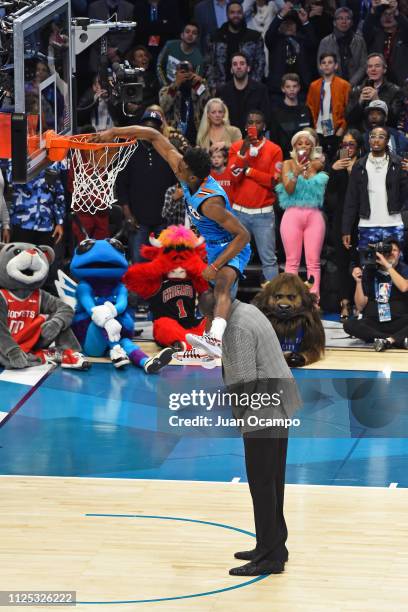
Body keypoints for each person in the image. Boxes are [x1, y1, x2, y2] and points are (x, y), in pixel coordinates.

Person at [93, 126, 251, 358]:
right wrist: (115, 131)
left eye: (183, 169)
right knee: (207, 301)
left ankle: (217, 340)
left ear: (194, 177)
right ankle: (211, 343)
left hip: (232, 245)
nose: (178, 168)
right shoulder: (186, 171)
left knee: (222, 286)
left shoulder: (211, 203)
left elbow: (243, 235)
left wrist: (216, 266)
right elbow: (154, 134)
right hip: (211, 245)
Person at [198, 289, 302, 576]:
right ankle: (273, 545)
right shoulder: (247, 308)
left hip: (264, 409)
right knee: (272, 480)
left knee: (261, 484)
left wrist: (239, 417)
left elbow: (244, 382)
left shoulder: (237, 328)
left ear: (213, 314)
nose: (206, 326)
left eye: (206, 319)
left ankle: (270, 558)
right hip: (279, 400)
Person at [229, 109, 283, 281]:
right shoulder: (236, 147)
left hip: (263, 214)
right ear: (245, 127)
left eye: (257, 122)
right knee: (234, 259)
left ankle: (274, 305)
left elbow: (274, 182)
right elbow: (234, 177)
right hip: (239, 213)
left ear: (264, 126)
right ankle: (228, 301)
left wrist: (250, 170)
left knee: (269, 260)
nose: (253, 126)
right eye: (250, 123)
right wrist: (244, 150)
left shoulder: (274, 149)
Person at [116, 110, 176, 262]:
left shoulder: (168, 151)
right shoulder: (129, 151)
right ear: (141, 129)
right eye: (147, 127)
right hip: (138, 220)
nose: (151, 131)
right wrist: (128, 215)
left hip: (163, 220)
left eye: (155, 127)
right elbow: (121, 187)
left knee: (163, 264)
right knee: (138, 263)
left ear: (160, 130)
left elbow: (176, 184)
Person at [275, 130, 329, 298]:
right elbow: (289, 190)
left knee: (314, 262)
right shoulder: (287, 164)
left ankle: (314, 301)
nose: (304, 146)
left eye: (308, 143)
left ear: (313, 146)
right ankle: (290, 299)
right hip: (292, 215)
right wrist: (297, 173)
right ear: (294, 146)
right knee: (292, 262)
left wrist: (317, 163)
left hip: (314, 215)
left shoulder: (318, 164)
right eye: (300, 143)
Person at [342, 126, 408, 256]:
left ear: (387, 140)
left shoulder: (399, 163)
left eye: (381, 137)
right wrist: (346, 229)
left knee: (394, 271)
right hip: (367, 225)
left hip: (393, 224)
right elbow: (351, 199)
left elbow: (405, 195)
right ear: (368, 140)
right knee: (368, 270)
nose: (376, 140)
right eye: (373, 137)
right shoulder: (359, 165)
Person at [325, 129, 363, 319]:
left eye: (351, 144)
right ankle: (344, 303)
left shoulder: (364, 163)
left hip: (362, 218)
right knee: (342, 262)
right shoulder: (336, 164)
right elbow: (330, 194)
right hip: (340, 219)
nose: (347, 148)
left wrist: (352, 172)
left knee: (360, 261)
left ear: (358, 146)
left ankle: (361, 304)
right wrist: (334, 171)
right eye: (344, 145)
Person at [344, 238, 408, 350]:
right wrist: (358, 282)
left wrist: (388, 266)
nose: (392, 253)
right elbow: (360, 305)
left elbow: (404, 287)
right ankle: (393, 340)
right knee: (349, 325)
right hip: (375, 321)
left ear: (400, 254)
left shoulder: (404, 269)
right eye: (389, 250)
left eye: (395, 250)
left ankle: (385, 340)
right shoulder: (370, 270)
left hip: (399, 321)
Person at [206, 1, 266, 93]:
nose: (236, 15)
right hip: (222, 88)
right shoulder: (215, 37)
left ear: (243, 14)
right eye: (232, 12)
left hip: (248, 89)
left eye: (239, 12)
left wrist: (253, 85)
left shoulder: (254, 37)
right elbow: (209, 63)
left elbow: (260, 63)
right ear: (227, 14)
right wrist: (213, 86)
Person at [265, 4, 317, 104]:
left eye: (291, 23)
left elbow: (313, 43)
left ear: (296, 26)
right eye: (285, 23)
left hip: (301, 90)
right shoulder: (275, 41)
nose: (288, 26)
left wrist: (305, 21)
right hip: (277, 91)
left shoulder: (302, 40)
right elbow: (269, 34)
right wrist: (280, 15)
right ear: (280, 26)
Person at [306, 53, 351, 162]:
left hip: (338, 130)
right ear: (320, 66)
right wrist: (312, 127)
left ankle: (341, 178)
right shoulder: (314, 86)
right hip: (319, 131)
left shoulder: (344, 85)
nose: (326, 65)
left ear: (336, 66)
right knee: (318, 160)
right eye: (323, 63)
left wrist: (342, 128)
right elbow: (309, 107)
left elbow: (349, 110)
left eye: (330, 62)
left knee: (341, 158)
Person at [345, 53, 404, 132]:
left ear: (384, 69)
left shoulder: (395, 91)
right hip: (361, 137)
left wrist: (378, 101)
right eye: (370, 66)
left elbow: (393, 120)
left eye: (377, 66)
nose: (373, 69)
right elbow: (348, 119)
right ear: (367, 70)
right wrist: (360, 102)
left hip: (384, 135)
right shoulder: (356, 90)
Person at [218, 52, 270, 134]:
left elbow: (266, 117)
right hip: (229, 138)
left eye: (242, 64)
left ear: (248, 68)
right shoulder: (223, 91)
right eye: (235, 64)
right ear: (231, 69)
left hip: (254, 138)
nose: (238, 67)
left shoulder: (260, 89)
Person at [159, 60, 211, 144]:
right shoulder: (167, 90)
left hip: (196, 136)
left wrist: (200, 85)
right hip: (174, 138)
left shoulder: (197, 88)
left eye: (188, 72)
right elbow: (164, 106)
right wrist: (176, 84)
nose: (186, 75)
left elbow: (209, 105)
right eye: (182, 72)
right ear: (176, 74)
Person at [317, 7, 367, 87]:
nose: (344, 21)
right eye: (340, 18)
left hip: (355, 87)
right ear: (334, 22)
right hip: (332, 85)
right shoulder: (325, 42)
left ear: (352, 22)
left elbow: (364, 65)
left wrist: (351, 83)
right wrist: (336, 83)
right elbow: (321, 66)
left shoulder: (360, 41)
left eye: (347, 18)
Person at [362, 0, 408, 87]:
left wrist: (396, 12)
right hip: (377, 84)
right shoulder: (373, 35)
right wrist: (373, 11)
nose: (388, 17)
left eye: (391, 14)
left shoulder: (404, 35)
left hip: (401, 84)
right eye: (384, 14)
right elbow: (366, 29)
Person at [269, 73, 313, 160]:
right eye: (288, 87)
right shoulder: (276, 112)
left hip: (306, 158)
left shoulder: (306, 110)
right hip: (285, 159)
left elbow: (312, 136)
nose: (292, 89)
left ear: (299, 87)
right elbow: (274, 140)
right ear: (283, 89)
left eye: (294, 86)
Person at [157, 21, 204, 87]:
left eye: (194, 33)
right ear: (182, 35)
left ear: (197, 38)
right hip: (166, 90)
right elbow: (159, 66)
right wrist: (166, 87)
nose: (190, 34)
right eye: (187, 32)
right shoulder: (169, 45)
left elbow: (196, 82)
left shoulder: (199, 58)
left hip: (186, 93)